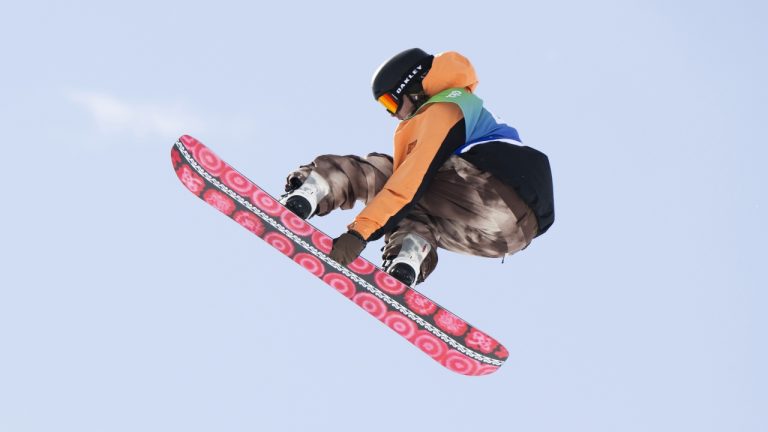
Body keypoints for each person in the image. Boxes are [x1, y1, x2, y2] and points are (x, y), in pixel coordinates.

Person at [280, 48, 554, 286]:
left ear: (412, 87)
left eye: (391, 101)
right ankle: (410, 255)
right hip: (510, 235)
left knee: (386, 173)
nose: (392, 113)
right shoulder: (465, 107)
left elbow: (408, 182)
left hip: (490, 192)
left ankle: (314, 188)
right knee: (412, 209)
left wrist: (358, 234)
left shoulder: (445, 106)